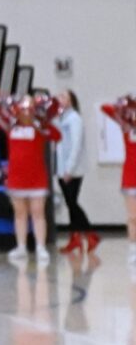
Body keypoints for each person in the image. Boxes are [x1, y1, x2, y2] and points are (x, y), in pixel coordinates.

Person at [0, 92, 62, 266]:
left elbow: (57, 136)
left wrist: (44, 120)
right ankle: (21, 247)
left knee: (38, 212)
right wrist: (0, 102)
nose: (26, 110)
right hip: (17, 177)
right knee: (20, 214)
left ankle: (40, 247)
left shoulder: (39, 127)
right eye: (23, 107)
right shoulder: (10, 126)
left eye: (29, 107)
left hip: (37, 177)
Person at [53, 90, 96, 256]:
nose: (59, 99)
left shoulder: (74, 119)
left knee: (72, 203)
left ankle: (90, 234)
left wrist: (69, 168)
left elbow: (76, 146)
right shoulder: (61, 118)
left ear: (71, 101)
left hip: (73, 170)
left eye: (63, 96)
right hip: (62, 168)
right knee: (71, 204)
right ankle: (76, 238)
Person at [100, 94, 136, 264]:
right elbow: (105, 108)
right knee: (132, 217)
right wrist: (125, 105)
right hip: (131, 178)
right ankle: (133, 249)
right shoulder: (127, 128)